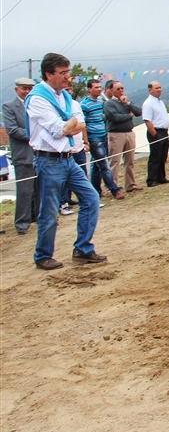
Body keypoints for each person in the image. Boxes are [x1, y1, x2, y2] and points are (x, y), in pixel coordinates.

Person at [25, 52, 105, 270]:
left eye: (68, 72)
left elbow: (81, 122)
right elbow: (58, 130)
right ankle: (43, 255)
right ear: (49, 74)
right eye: (62, 73)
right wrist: (70, 124)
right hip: (48, 160)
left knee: (90, 198)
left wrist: (70, 124)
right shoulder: (38, 98)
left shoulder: (65, 97)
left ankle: (83, 248)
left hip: (69, 158)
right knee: (49, 210)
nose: (67, 77)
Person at [2, 77, 38, 235]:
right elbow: (12, 130)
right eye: (24, 88)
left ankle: (37, 216)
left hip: (40, 153)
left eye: (30, 89)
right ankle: (22, 223)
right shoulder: (9, 106)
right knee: (24, 190)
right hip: (23, 153)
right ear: (17, 89)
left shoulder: (36, 104)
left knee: (40, 188)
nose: (27, 92)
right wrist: (36, 135)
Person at [81, 79, 124, 202]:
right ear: (89, 89)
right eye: (96, 87)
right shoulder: (84, 104)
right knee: (104, 164)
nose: (99, 89)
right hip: (93, 137)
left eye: (100, 87)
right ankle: (114, 190)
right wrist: (86, 140)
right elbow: (82, 123)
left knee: (96, 164)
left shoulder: (101, 102)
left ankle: (96, 190)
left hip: (103, 134)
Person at [104, 81, 142, 192]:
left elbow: (139, 112)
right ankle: (113, 187)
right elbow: (115, 117)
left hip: (129, 132)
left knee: (129, 160)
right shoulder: (109, 104)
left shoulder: (126, 102)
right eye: (118, 89)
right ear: (111, 90)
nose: (121, 91)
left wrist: (128, 104)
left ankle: (131, 184)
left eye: (122, 88)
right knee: (114, 161)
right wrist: (129, 115)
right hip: (116, 134)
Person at [59, 80, 90, 216]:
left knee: (82, 173)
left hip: (79, 145)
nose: (68, 91)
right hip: (66, 148)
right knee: (65, 178)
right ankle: (64, 203)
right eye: (65, 89)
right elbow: (63, 129)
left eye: (70, 89)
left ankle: (85, 200)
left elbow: (82, 125)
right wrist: (70, 127)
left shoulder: (75, 104)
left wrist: (85, 142)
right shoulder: (59, 105)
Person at [141, 81, 169, 187]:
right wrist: (154, 134)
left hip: (164, 131)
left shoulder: (160, 102)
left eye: (160, 87)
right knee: (155, 156)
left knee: (163, 155)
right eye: (156, 88)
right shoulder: (148, 103)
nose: (159, 90)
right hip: (155, 132)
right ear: (150, 90)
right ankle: (151, 179)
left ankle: (161, 177)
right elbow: (147, 120)